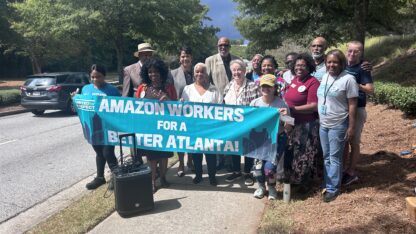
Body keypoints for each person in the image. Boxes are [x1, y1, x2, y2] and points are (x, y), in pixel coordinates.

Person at [317, 49, 358, 202]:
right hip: (324, 124)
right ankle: (328, 182)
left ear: (341, 63)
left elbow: (353, 104)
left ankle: (333, 188)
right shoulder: (325, 77)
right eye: (329, 62)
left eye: (335, 62)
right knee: (326, 156)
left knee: (334, 157)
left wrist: (351, 127)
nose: (331, 65)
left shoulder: (348, 79)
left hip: (338, 124)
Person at [135, 58, 177, 193]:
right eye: (150, 72)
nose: (153, 74)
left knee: (164, 156)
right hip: (149, 128)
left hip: (165, 127)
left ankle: (163, 178)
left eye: (156, 72)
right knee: (152, 158)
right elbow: (134, 107)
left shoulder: (168, 87)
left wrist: (168, 100)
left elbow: (176, 106)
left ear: (162, 72)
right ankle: (152, 181)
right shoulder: (142, 88)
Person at [283, 53, 320, 192]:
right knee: (292, 151)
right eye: (297, 65)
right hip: (291, 121)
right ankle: (292, 179)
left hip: (306, 124)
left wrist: (293, 109)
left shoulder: (312, 82)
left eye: (303, 65)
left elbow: (313, 105)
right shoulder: (295, 80)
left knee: (304, 153)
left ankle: (303, 183)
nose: (299, 68)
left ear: (309, 67)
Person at [181, 63, 222, 186]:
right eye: (197, 71)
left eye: (202, 71)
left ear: (206, 74)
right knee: (196, 153)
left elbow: (220, 108)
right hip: (194, 128)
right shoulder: (187, 89)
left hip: (210, 128)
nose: (200, 74)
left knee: (210, 154)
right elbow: (184, 109)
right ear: (194, 74)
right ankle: (198, 175)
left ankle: (212, 176)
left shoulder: (214, 89)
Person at [250, 74, 290, 200]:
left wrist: (285, 118)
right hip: (259, 141)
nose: (266, 88)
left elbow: (289, 125)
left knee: (269, 168)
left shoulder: (281, 103)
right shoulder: (255, 103)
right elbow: (248, 123)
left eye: (269, 86)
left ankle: (272, 188)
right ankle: (261, 187)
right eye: (263, 86)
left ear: (275, 88)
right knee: (258, 167)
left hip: (276, 140)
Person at [80, 64, 120, 190]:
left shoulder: (112, 90)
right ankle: (100, 177)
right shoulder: (86, 89)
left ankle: (116, 176)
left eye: (99, 76)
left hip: (108, 127)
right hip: (93, 127)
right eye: (93, 77)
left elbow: (120, 108)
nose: (95, 79)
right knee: (98, 152)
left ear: (104, 76)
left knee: (108, 152)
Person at [205, 37, 240, 170]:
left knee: (231, 134)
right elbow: (207, 82)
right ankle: (219, 161)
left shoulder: (237, 59)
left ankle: (230, 162)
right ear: (217, 46)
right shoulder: (210, 60)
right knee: (219, 134)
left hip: (233, 103)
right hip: (217, 103)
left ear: (229, 46)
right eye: (220, 45)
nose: (223, 47)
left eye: (225, 45)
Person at [223, 59, 260, 186]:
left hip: (248, 124)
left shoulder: (253, 86)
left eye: (239, 69)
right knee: (234, 148)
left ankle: (248, 173)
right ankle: (236, 171)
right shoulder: (228, 86)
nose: (237, 72)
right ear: (231, 72)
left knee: (248, 147)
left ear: (244, 71)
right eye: (234, 70)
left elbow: (258, 106)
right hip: (232, 125)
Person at [342, 41, 374, 186]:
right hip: (342, 109)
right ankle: (343, 169)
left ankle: (351, 171)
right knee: (343, 141)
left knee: (354, 141)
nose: (352, 54)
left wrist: (355, 84)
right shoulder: (342, 65)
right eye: (350, 51)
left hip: (358, 108)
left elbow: (370, 89)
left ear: (360, 53)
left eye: (356, 51)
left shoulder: (363, 68)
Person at [122, 42, 155, 165]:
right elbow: (126, 94)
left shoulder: (155, 67)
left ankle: (154, 168)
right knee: (136, 140)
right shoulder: (129, 70)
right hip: (136, 111)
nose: (146, 57)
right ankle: (137, 164)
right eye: (144, 54)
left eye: (149, 54)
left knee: (152, 139)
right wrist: (126, 111)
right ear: (139, 55)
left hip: (154, 111)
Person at [170, 46, 195, 177]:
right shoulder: (173, 73)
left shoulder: (197, 72)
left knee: (192, 137)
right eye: (182, 56)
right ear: (180, 58)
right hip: (178, 112)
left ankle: (190, 161)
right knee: (180, 140)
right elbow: (168, 91)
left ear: (191, 58)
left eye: (187, 56)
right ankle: (181, 163)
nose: (185, 58)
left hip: (193, 112)